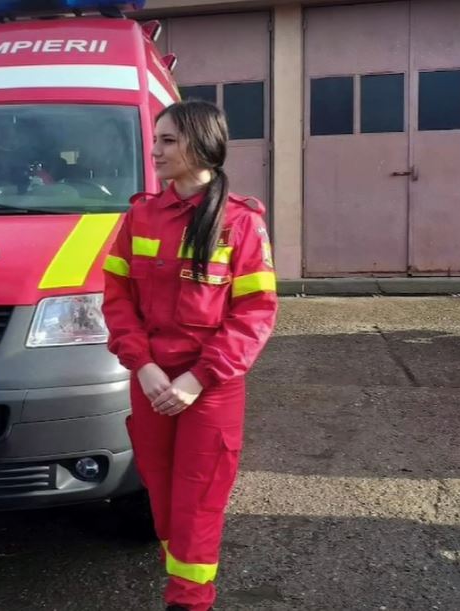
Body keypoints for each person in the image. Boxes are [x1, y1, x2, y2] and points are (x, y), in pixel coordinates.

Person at [102, 100, 278, 611]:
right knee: (161, 498)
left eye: (168, 140)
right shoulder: (140, 216)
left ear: (201, 145)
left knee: (197, 500)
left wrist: (198, 378)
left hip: (209, 389)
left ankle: (189, 601)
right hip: (152, 383)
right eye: (155, 139)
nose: (155, 150)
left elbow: (255, 313)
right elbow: (116, 299)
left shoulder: (240, 222)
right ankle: (181, 577)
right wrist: (143, 365)